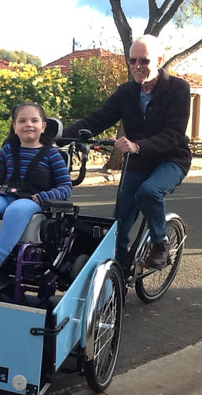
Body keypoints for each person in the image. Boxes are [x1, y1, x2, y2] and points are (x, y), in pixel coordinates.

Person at [61, 35, 191, 269]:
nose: (138, 66)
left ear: (158, 60)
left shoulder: (178, 89)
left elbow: (174, 134)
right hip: (138, 162)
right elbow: (97, 119)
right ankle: (118, 275)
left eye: (144, 60)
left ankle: (160, 243)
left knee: (149, 192)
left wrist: (138, 146)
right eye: (132, 61)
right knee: (118, 225)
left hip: (171, 158)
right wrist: (58, 136)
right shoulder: (126, 91)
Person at [0, 102, 73, 284]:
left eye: (34, 120)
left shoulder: (53, 156)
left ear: (43, 126)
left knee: (16, 209)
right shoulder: (8, 150)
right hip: (5, 195)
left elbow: (66, 187)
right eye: (22, 121)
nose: (28, 124)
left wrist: (43, 197)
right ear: (15, 127)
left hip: (34, 201)